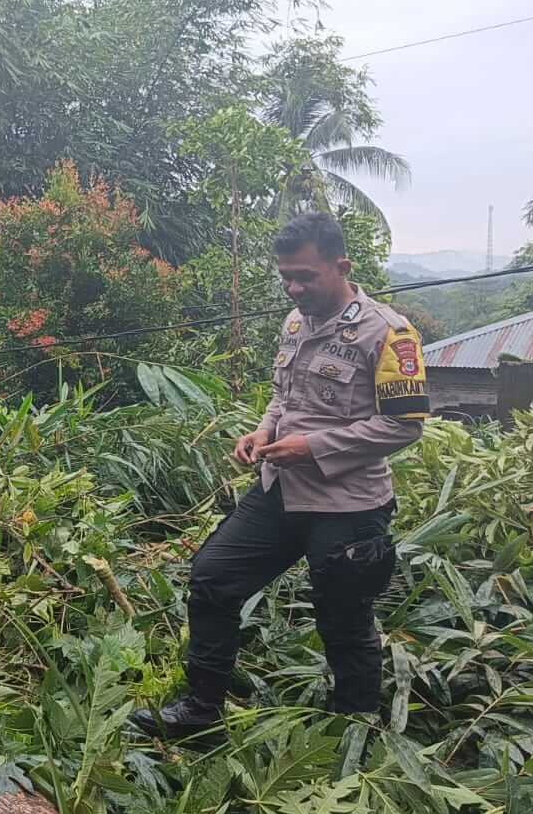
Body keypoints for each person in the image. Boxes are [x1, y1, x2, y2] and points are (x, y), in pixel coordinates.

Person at [130, 212, 429, 744]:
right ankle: (201, 710)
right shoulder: (294, 322)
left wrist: (312, 447)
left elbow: (403, 426)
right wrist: (261, 431)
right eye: (286, 277)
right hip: (279, 489)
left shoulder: (390, 333)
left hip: (349, 505)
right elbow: (284, 397)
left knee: (343, 617)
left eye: (305, 276)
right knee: (213, 578)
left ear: (341, 266)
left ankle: (354, 730)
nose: (294, 288)